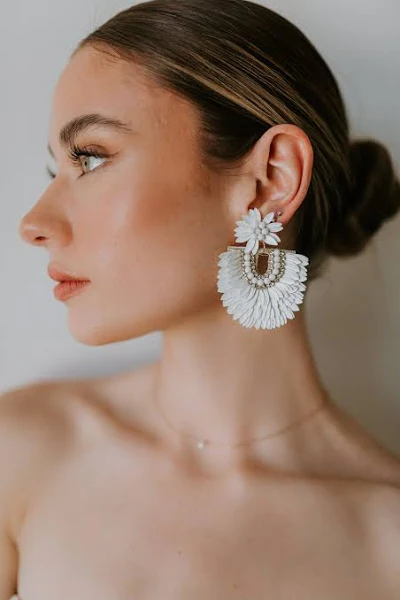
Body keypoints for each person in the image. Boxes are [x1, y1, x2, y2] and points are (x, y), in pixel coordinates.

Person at [2, 0, 400, 597]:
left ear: (270, 180)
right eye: (53, 171)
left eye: (90, 158)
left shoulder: (387, 543)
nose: (33, 223)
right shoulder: (22, 452)